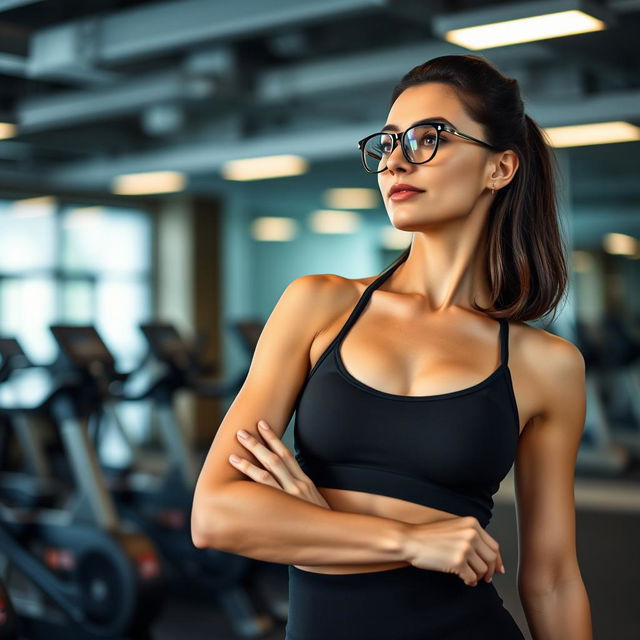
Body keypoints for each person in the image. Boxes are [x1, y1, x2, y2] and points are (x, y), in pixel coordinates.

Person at [191, 54, 593, 639]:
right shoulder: (319, 306)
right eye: (387, 143)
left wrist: (310, 528)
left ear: (499, 168)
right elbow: (215, 516)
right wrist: (411, 540)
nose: (394, 160)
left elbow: (553, 578)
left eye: (428, 138)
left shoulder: (548, 366)